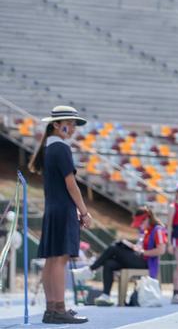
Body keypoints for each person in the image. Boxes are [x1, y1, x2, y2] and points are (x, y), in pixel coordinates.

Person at [29, 105, 91, 324]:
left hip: (54, 208)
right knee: (59, 260)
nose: (73, 128)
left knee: (52, 260)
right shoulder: (61, 148)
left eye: (74, 124)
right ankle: (59, 309)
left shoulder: (50, 147)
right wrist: (84, 211)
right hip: (63, 209)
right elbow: (71, 183)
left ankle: (51, 309)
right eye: (70, 123)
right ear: (56, 124)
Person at [72, 206, 166, 306]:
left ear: (147, 218)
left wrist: (142, 252)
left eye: (141, 223)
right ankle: (106, 296)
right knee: (109, 263)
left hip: (146, 263)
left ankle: (90, 270)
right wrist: (133, 247)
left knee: (115, 247)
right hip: (138, 257)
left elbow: (161, 250)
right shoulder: (144, 231)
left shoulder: (158, 230)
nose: (139, 226)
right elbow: (140, 246)